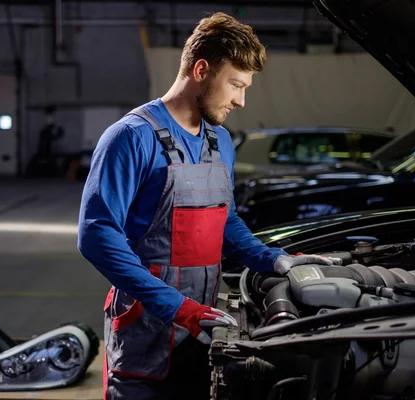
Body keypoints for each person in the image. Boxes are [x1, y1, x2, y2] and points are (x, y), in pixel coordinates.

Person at [77, 12, 341, 400]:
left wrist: (270, 259)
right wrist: (178, 308)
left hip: (205, 334)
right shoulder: (131, 137)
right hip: (145, 340)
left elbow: (225, 220)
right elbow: (96, 235)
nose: (241, 100)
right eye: (235, 84)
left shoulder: (220, 141)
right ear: (201, 69)